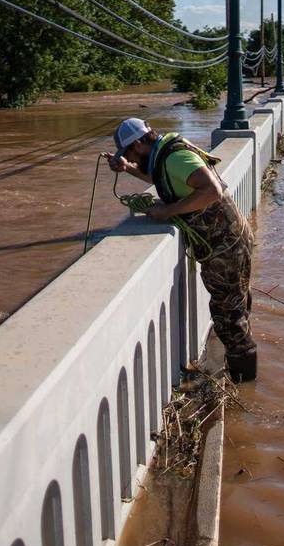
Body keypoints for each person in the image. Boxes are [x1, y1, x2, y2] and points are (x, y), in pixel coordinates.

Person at [107, 117, 258, 383]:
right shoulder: (164, 155)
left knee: (229, 318)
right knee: (236, 307)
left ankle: (245, 384)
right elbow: (159, 175)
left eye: (129, 152)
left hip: (225, 246)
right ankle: (243, 374)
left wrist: (168, 211)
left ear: (139, 143)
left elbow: (212, 191)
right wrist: (128, 168)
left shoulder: (175, 157)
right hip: (228, 242)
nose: (129, 157)